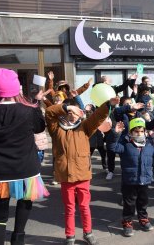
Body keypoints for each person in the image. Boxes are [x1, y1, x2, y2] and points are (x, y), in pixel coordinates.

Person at [0, 68, 49, 245]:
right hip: (24, 169)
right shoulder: (27, 111)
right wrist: (36, 103)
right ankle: (18, 238)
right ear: (17, 89)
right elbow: (39, 128)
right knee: (24, 202)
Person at [45, 96, 117, 245]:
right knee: (69, 208)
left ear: (81, 113)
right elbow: (49, 112)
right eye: (70, 111)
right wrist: (66, 107)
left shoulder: (85, 126)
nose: (72, 115)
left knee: (84, 206)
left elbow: (97, 117)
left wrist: (108, 104)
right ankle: (70, 235)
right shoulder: (55, 127)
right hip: (66, 176)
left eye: (75, 111)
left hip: (83, 174)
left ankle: (87, 232)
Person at [108, 118, 154, 237]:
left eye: (142, 131)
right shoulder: (125, 145)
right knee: (129, 203)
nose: (139, 134)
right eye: (136, 132)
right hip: (129, 180)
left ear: (145, 132)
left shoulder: (149, 145)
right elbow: (112, 147)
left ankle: (143, 219)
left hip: (145, 180)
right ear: (130, 133)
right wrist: (115, 133)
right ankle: (127, 222)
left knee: (143, 202)